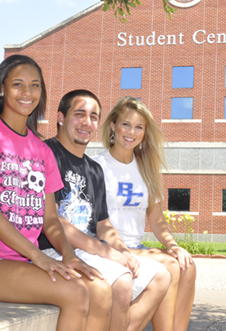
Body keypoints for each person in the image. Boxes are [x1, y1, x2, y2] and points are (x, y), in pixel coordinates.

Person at [0, 55, 110, 331]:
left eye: (35, 86)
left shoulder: (41, 150)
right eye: (18, 84)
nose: (27, 93)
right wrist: (39, 257)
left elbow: (50, 219)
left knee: (100, 289)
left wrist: (69, 255)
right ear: (2, 88)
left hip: (21, 262)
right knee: (76, 291)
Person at [37, 89, 170, 331]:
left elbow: (103, 224)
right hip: (53, 248)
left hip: (88, 249)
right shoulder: (47, 154)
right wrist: (107, 253)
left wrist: (121, 251)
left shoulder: (93, 169)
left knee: (160, 276)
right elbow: (54, 220)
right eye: (79, 114)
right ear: (60, 117)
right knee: (121, 281)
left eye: (93, 117)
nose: (87, 122)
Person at [93, 96, 196, 331]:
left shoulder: (146, 168)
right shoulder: (96, 166)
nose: (131, 132)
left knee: (186, 265)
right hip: (108, 247)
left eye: (139, 127)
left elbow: (157, 218)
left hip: (136, 247)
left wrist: (173, 245)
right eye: (126, 124)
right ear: (113, 126)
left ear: (145, 132)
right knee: (169, 268)